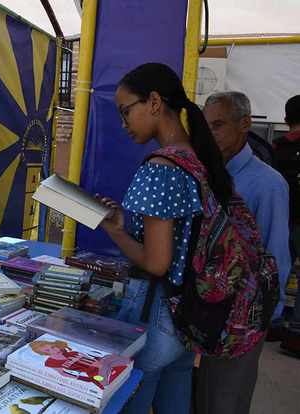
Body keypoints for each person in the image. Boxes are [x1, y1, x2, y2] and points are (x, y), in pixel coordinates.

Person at [97, 62, 234, 414]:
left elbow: (157, 262)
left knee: (132, 398)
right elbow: (181, 234)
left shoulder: (160, 168)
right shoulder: (195, 159)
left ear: (155, 102)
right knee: (176, 392)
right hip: (191, 311)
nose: (124, 124)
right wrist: (128, 221)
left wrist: (115, 231)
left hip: (159, 312)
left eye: (127, 111)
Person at [199, 91, 291, 413]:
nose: (210, 135)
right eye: (206, 126)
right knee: (203, 395)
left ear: (245, 124)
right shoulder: (209, 174)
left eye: (218, 125)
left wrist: (264, 317)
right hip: (206, 312)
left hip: (243, 320)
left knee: (227, 400)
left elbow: (276, 254)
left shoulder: (267, 184)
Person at [275, 95, 300, 356]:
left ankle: (272, 322)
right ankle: (295, 334)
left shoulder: (276, 147)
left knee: (277, 269)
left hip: (282, 221)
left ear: (285, 119)